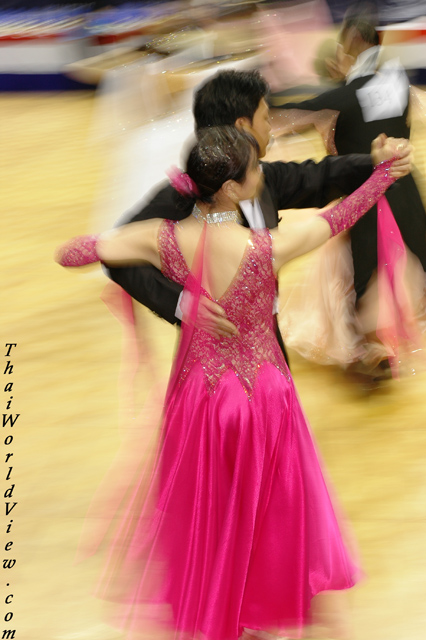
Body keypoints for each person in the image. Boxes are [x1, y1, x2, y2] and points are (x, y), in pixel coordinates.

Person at [56, 125, 405, 640]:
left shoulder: (162, 237)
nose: (262, 175)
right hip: (263, 395)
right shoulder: (266, 247)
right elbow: (338, 219)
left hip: (199, 396)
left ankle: (219, 606)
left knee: (209, 511)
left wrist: (183, 302)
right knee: (267, 512)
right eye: (255, 170)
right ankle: (256, 610)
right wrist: (382, 177)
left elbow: (73, 253)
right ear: (230, 188)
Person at [105, 68, 411, 356]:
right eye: (265, 119)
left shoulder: (260, 178)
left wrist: (375, 163)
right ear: (243, 127)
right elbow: (113, 251)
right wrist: (181, 304)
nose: (271, 129)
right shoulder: (181, 194)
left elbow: (319, 176)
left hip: (269, 353)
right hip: (210, 366)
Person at [272, 11, 426, 374]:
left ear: (352, 44)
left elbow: (289, 116)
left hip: (365, 199)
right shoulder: (397, 86)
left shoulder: (340, 99)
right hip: (400, 190)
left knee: (364, 269)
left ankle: (372, 348)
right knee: (400, 261)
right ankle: (382, 341)